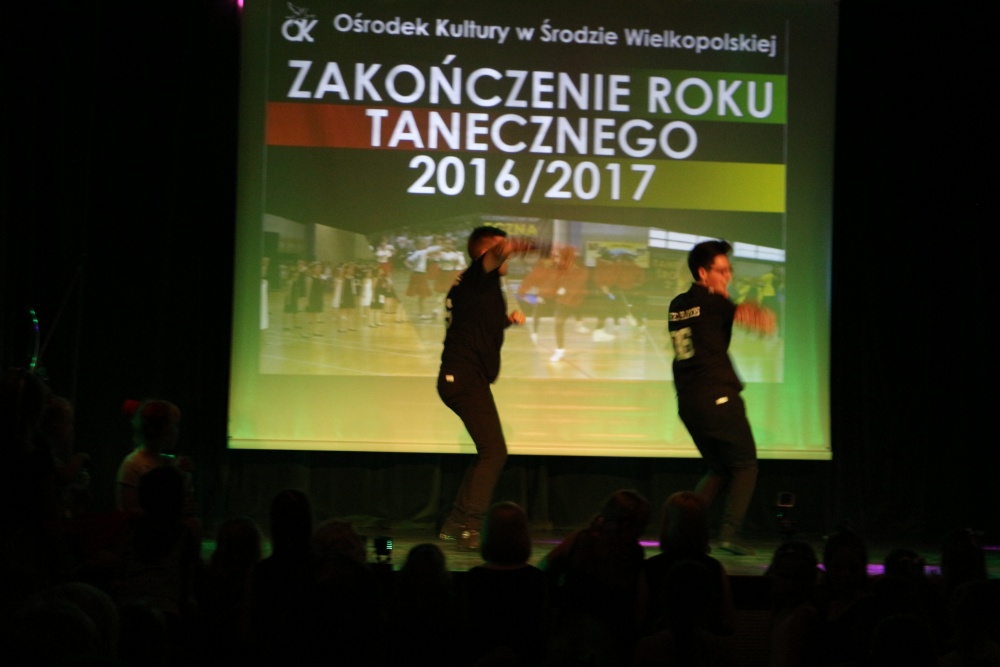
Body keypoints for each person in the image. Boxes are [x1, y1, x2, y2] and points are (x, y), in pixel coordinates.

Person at [667, 239, 774, 555]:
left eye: (729, 270)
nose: (728, 277)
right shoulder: (715, 302)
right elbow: (747, 314)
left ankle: (683, 533)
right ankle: (729, 534)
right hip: (717, 396)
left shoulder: (677, 303)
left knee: (718, 468)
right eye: (722, 271)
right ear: (703, 272)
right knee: (745, 465)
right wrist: (758, 316)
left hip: (689, 401)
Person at [437, 226, 526, 551]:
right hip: (463, 378)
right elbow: (501, 250)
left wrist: (507, 321)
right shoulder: (477, 275)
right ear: (488, 253)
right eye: (503, 251)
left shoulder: (477, 286)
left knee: (488, 451)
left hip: (464, 378)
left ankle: (453, 525)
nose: (508, 257)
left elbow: (476, 324)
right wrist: (548, 248)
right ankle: (470, 528)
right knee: (494, 452)